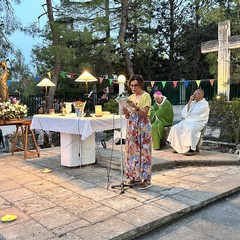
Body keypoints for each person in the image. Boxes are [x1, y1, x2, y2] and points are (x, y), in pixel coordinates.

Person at [122, 75, 152, 189]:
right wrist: (125, 111)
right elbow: (128, 116)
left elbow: (145, 113)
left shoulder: (146, 96)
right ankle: (134, 177)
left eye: (136, 85)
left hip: (143, 127)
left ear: (140, 85)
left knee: (144, 153)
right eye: (131, 85)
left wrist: (134, 106)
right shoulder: (130, 97)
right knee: (132, 152)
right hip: (132, 128)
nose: (133, 88)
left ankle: (146, 179)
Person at [167, 89, 210, 156]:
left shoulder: (205, 104)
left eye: (197, 94)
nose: (195, 95)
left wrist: (189, 113)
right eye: (194, 93)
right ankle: (178, 147)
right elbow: (184, 113)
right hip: (188, 121)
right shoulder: (192, 103)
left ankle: (191, 149)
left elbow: (196, 113)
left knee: (190, 129)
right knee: (175, 128)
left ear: (202, 95)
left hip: (198, 122)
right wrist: (190, 101)